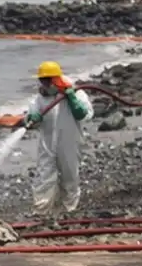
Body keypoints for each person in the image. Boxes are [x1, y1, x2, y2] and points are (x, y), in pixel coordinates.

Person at [22, 61, 94, 214]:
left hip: (69, 142)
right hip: (47, 144)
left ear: (56, 79)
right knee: (43, 177)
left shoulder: (75, 93)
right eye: (42, 80)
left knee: (70, 176)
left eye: (47, 80)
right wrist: (31, 118)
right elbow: (31, 118)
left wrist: (73, 100)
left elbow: (85, 114)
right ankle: (41, 210)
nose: (45, 84)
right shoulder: (39, 98)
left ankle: (69, 209)